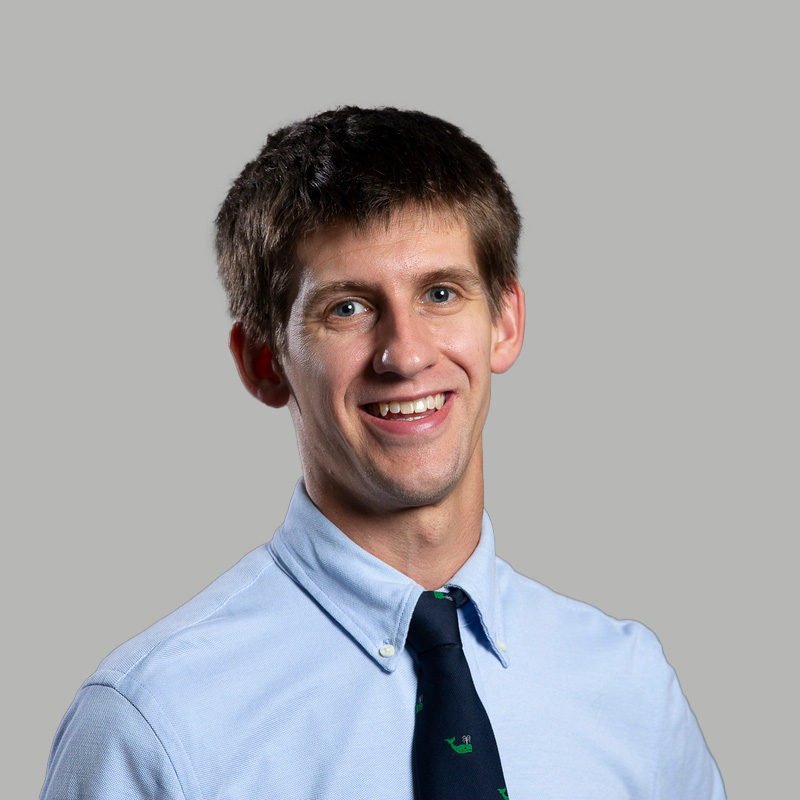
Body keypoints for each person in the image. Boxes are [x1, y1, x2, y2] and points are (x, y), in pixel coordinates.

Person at [40, 107, 726, 799]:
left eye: (440, 293)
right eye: (347, 308)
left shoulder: (631, 690)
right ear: (262, 361)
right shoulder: (154, 722)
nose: (406, 354)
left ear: (506, 322)